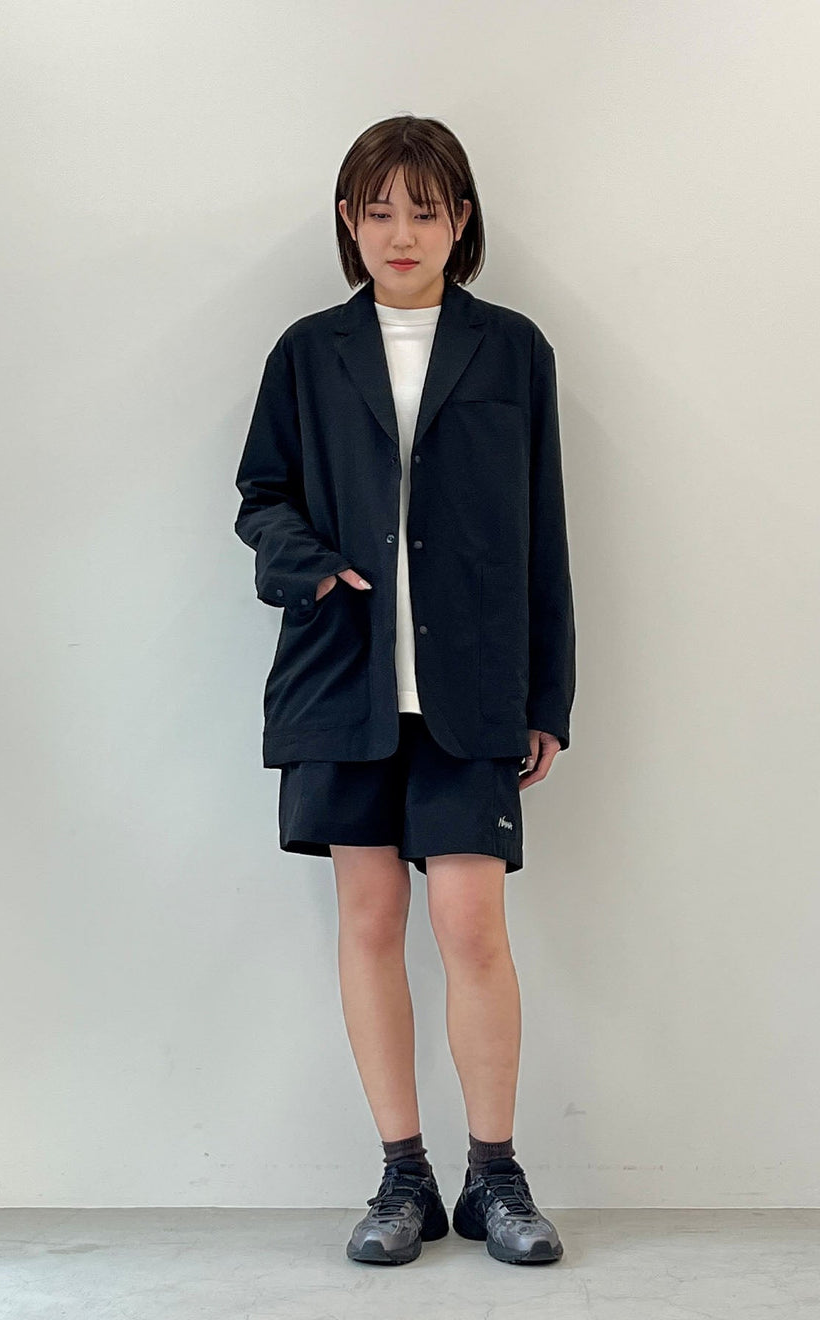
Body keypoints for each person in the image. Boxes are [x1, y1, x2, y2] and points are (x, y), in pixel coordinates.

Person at [234, 114, 575, 1266]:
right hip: (342, 679)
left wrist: (548, 695)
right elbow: (261, 496)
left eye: (423, 210)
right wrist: (310, 567)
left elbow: (542, 532)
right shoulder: (307, 353)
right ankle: (401, 1178)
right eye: (376, 209)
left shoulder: (512, 351)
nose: (399, 232)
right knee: (370, 919)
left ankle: (495, 1177)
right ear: (347, 219)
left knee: (469, 922)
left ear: (458, 220)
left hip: (470, 686)